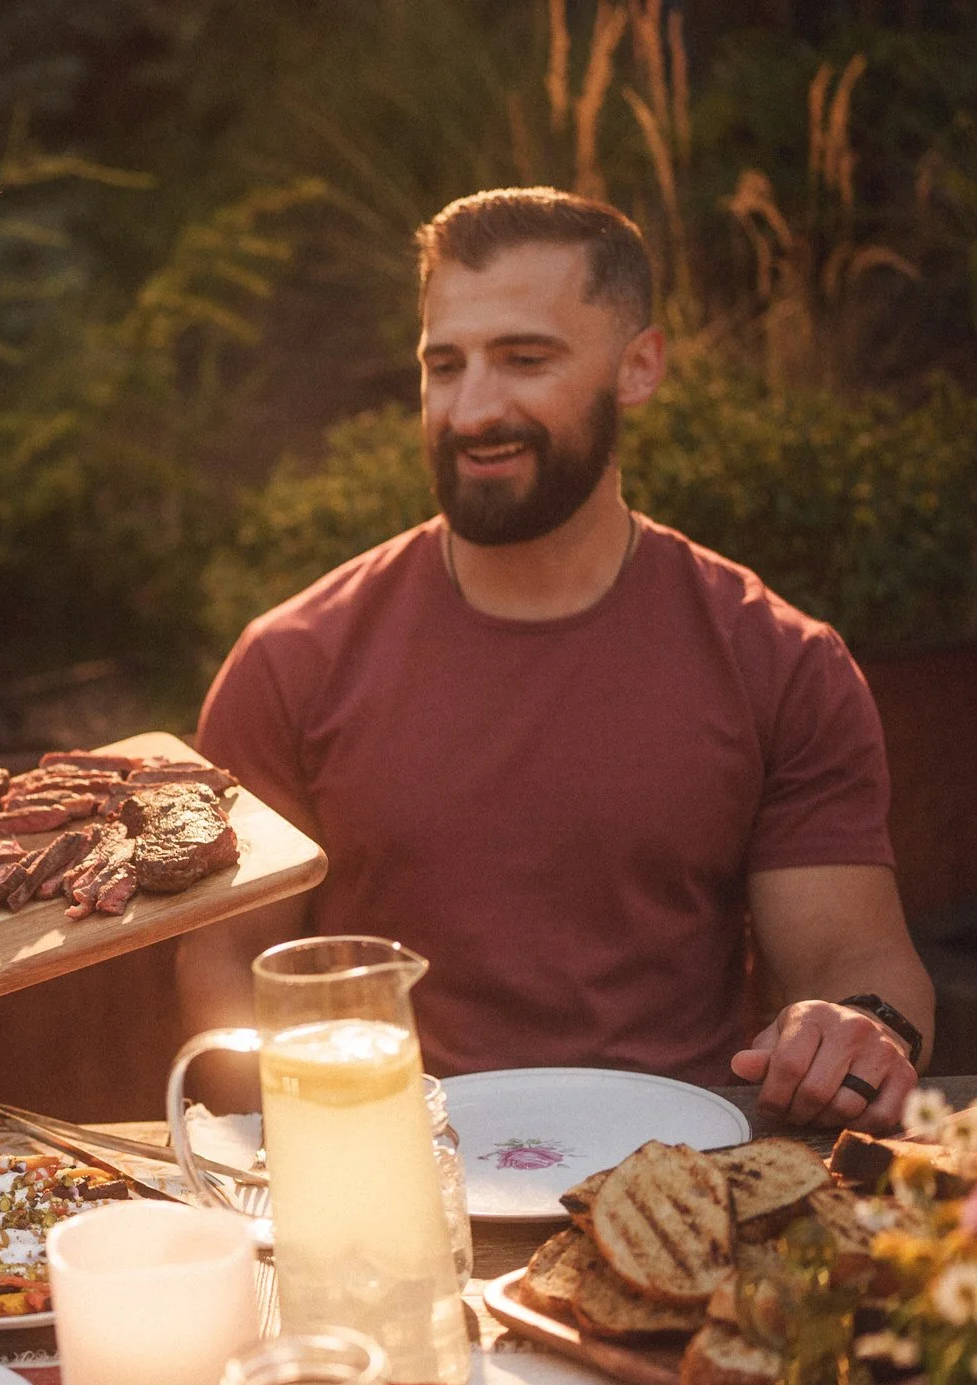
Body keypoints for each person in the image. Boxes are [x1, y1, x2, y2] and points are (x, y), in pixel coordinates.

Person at [178, 188, 934, 1131]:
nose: (472, 408)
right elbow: (225, 979)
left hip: (682, 1188)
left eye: (524, 359)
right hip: (393, 1183)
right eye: (443, 365)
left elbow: (852, 960)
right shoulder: (291, 663)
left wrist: (860, 1028)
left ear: (640, 367)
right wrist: (318, 1174)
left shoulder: (778, 660)